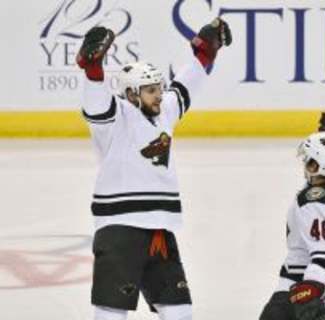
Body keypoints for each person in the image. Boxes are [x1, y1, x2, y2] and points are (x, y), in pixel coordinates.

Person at [76, 18, 232, 320]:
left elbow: (185, 86)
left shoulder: (163, 112)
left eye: (158, 88)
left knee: (180, 312)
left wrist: (206, 54)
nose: (159, 95)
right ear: (132, 94)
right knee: (111, 313)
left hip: (159, 229)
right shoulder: (116, 117)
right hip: (120, 228)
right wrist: (91, 67)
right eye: (150, 90)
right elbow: (96, 102)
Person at [259, 95, 325, 320]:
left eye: (310, 161)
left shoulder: (313, 204)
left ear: (320, 167)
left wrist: (310, 290)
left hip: (306, 285)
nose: (306, 164)